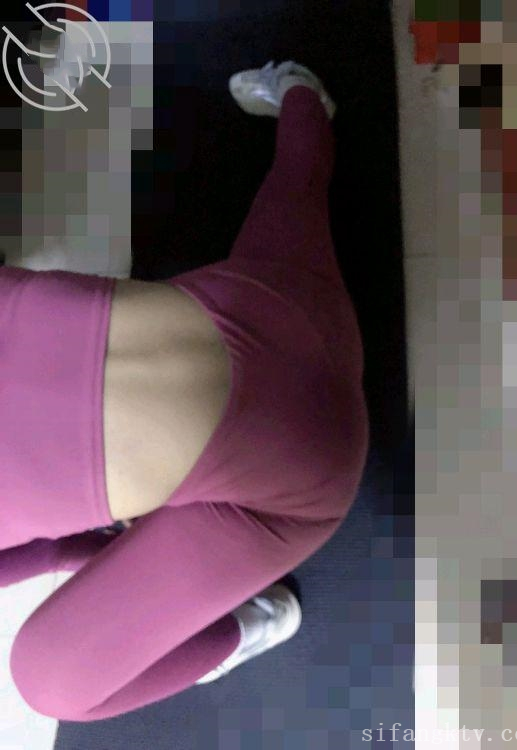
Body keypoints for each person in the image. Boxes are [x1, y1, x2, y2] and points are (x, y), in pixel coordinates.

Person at [0, 61, 369, 721]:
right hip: (274, 300)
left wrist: (85, 548)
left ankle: (247, 626)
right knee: (297, 183)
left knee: (50, 684)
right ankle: (300, 94)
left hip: (304, 481)